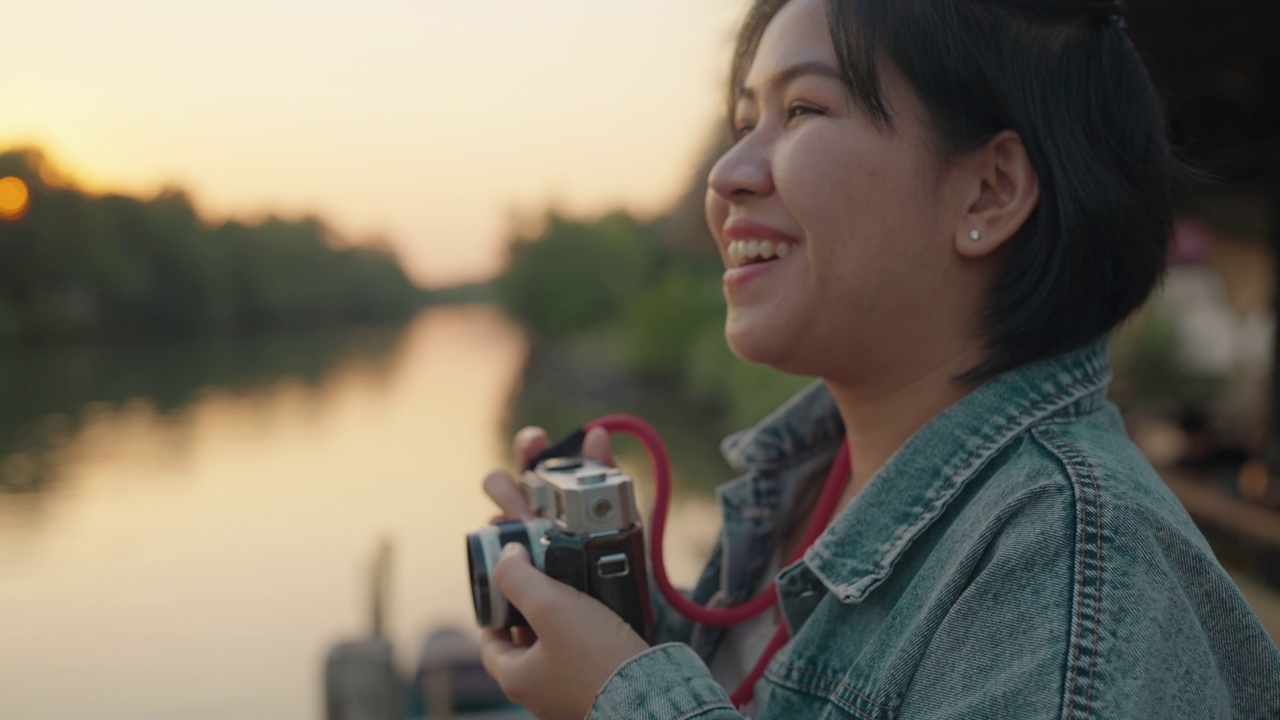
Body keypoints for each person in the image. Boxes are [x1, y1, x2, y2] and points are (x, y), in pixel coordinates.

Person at [478, 0, 1280, 717]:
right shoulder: (804, 484)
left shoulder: (1069, 571)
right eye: (743, 122)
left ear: (988, 192)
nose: (727, 176)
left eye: (801, 109)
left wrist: (626, 700)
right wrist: (631, 634)